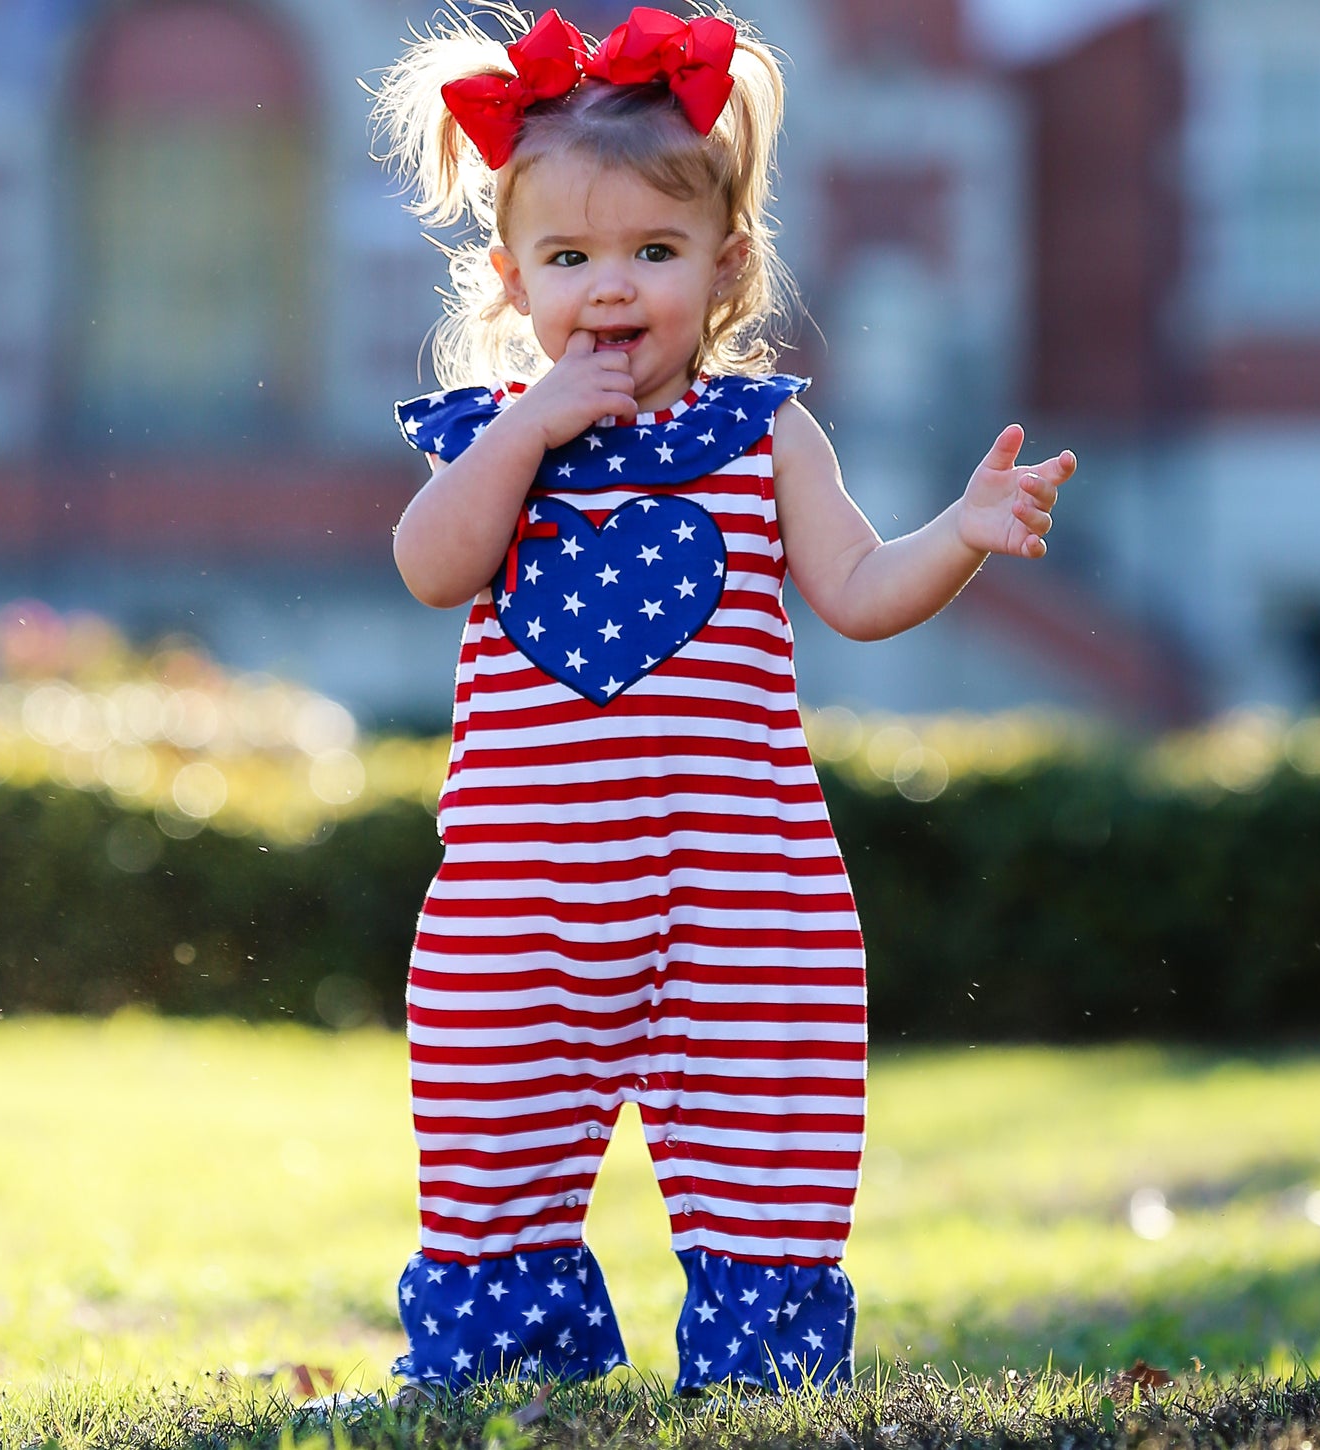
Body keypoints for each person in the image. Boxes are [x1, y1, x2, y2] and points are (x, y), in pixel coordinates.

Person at [371, 2, 1074, 1399]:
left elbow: (861, 588)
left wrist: (961, 529)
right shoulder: (494, 443)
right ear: (511, 279)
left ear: (726, 264)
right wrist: (527, 428)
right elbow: (424, 566)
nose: (611, 288)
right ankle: (500, 1365)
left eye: (653, 251)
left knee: (769, 1134)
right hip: (524, 896)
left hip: (740, 893)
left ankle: (757, 1373)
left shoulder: (759, 434)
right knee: (489, 1122)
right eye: (569, 257)